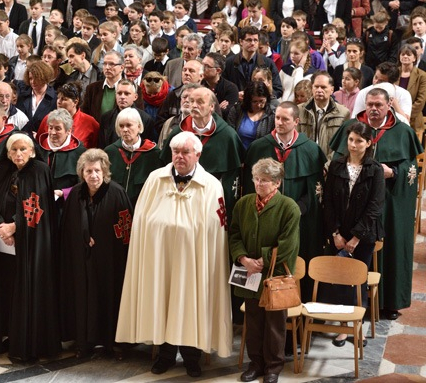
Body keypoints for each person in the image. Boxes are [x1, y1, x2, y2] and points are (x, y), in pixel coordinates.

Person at [117, 131, 232, 376]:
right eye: (175, 152)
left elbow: (215, 228)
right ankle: (165, 356)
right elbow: (142, 219)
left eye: (185, 152)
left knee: (190, 304)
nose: (179, 156)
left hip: (194, 259)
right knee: (163, 301)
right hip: (160, 257)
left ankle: (192, 358)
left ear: (197, 154)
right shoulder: (155, 179)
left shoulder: (211, 185)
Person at [330, 89, 423, 320]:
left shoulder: (402, 131)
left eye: (378, 105)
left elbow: (412, 168)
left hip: (389, 201)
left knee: (390, 247)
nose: (373, 109)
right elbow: (337, 160)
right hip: (354, 204)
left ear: (388, 105)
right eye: (370, 104)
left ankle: (388, 302)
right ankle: (351, 306)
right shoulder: (353, 127)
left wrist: (395, 172)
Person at [0, 133, 61, 361]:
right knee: (4, 288)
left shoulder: (40, 170)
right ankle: (4, 335)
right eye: (14, 150)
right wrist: (1, 227)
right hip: (3, 243)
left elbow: (39, 207)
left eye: (23, 149)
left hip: (30, 245)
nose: (18, 154)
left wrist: (15, 226)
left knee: (26, 290)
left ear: (32, 151)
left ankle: (25, 342)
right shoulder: (3, 170)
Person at [243, 102, 326, 297]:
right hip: (264, 220)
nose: (279, 122)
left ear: (296, 121)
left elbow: (314, 190)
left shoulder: (310, 149)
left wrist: (294, 211)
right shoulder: (259, 146)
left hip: (299, 220)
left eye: (285, 119)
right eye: (277, 118)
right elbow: (249, 187)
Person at [229, 158, 301, 383]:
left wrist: (262, 259)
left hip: (275, 276)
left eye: (265, 180)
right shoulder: (243, 204)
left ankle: (273, 367)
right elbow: (234, 235)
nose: (258, 184)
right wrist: (243, 258)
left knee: (275, 324)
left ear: (277, 183)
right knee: (253, 322)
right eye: (256, 179)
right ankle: (256, 364)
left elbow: (288, 244)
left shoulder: (289, 207)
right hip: (250, 274)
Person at [60, 149, 132, 358]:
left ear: (105, 171)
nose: (93, 175)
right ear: (82, 173)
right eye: (89, 171)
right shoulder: (76, 194)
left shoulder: (117, 193)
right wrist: (82, 237)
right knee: (83, 298)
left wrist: (101, 238)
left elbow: (125, 230)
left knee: (108, 296)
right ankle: (84, 342)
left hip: (110, 259)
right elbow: (67, 228)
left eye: (97, 171)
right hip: (81, 259)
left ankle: (113, 343)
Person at [323, 121, 385, 346]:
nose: (353, 144)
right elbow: (328, 202)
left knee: (358, 279)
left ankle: (357, 327)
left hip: (364, 235)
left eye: (359, 141)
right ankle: (343, 327)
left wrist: (356, 237)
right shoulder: (336, 165)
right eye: (350, 140)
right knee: (341, 279)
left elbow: (375, 207)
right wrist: (335, 233)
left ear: (368, 143)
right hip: (339, 233)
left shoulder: (375, 169)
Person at [160, 86, 244, 217]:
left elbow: (231, 179)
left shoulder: (227, 135)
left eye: (200, 102)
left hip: (211, 202)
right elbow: (166, 167)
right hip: (181, 198)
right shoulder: (178, 132)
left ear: (211, 107)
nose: (194, 105)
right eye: (191, 101)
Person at [104, 107, 161, 205]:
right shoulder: (110, 152)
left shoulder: (153, 154)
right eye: (121, 126)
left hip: (142, 206)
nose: (125, 130)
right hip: (114, 205)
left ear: (139, 127)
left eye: (129, 125)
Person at [297, 71, 350, 157]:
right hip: (304, 160)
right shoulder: (299, 110)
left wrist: (329, 163)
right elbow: (295, 140)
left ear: (332, 90)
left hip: (331, 162)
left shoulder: (343, 113)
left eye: (323, 87)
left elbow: (342, 145)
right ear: (312, 88)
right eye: (316, 87)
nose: (319, 90)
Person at [37, 108, 86, 195]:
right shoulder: (39, 149)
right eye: (50, 128)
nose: (53, 132)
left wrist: (64, 193)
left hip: (68, 200)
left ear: (68, 131)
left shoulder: (80, 152)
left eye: (58, 129)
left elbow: (83, 185)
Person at [227, 80, 275, 149]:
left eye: (261, 101)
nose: (258, 105)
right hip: (238, 152)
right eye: (254, 102)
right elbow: (230, 134)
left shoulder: (272, 114)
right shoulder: (237, 110)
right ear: (248, 100)